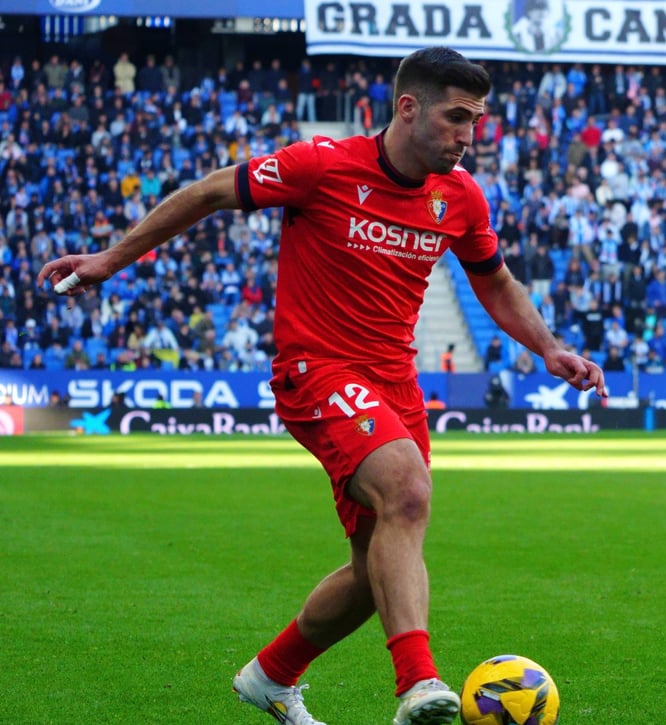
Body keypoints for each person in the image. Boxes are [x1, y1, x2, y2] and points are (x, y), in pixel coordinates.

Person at [38, 46, 607, 725]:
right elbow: (210, 191)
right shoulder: (322, 165)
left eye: (475, 121)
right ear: (408, 107)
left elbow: (495, 282)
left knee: (376, 569)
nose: (468, 136)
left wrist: (549, 348)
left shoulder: (459, 196)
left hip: (395, 383)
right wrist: (111, 258)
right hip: (317, 368)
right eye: (456, 118)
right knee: (408, 490)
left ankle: (271, 676)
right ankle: (418, 683)